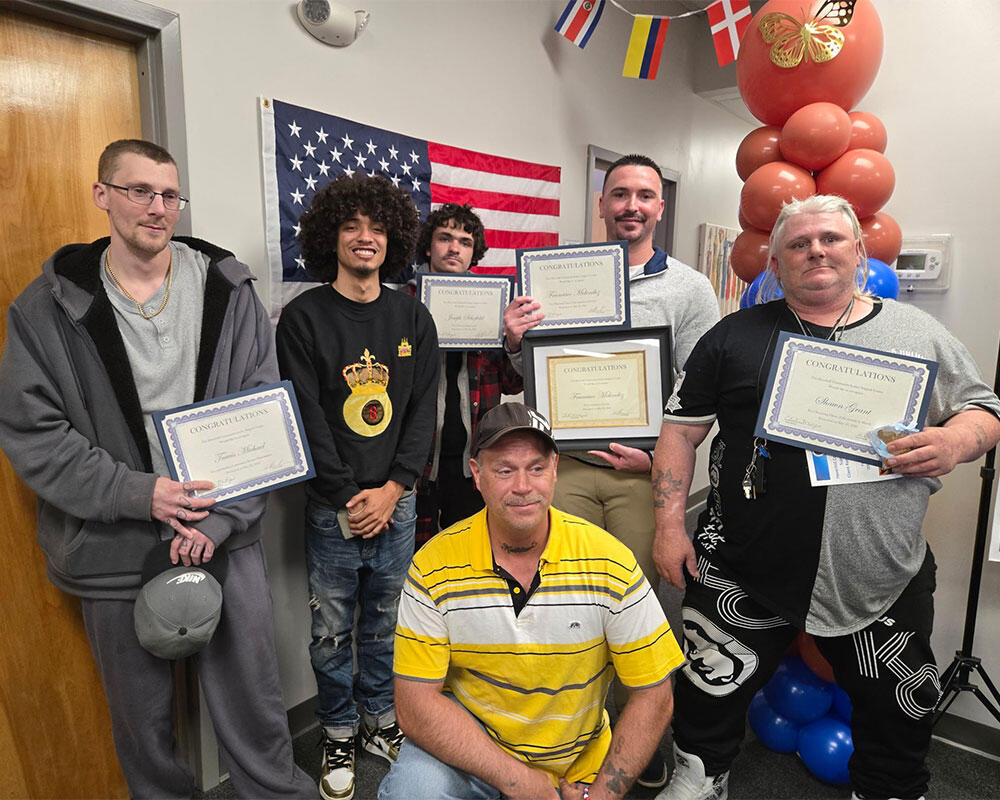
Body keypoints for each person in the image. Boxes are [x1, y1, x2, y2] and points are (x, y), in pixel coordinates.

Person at [652, 194, 1000, 800]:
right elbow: (680, 433)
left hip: (878, 570)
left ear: (859, 253)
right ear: (776, 264)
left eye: (831, 239)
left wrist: (956, 440)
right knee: (709, 689)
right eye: (798, 243)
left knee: (897, 711)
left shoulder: (917, 332)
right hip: (743, 563)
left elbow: (984, 408)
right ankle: (701, 774)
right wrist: (668, 527)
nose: (816, 250)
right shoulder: (732, 336)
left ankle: (889, 788)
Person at [0, 139, 316, 798]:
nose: (158, 207)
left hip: (225, 535)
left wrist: (222, 520)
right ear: (102, 195)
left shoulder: (228, 289)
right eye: (139, 190)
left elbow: (260, 415)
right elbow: (35, 432)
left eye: (170, 194)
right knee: (142, 724)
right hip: (113, 543)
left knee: (256, 708)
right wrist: (141, 494)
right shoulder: (46, 308)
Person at [503, 153, 720, 788]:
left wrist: (657, 459)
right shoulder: (557, 278)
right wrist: (514, 340)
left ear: (660, 207)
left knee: (638, 609)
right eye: (619, 193)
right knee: (561, 603)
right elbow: (534, 373)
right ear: (601, 204)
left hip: (643, 474)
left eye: (644, 195)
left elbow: (701, 389)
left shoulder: (689, 289)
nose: (631, 205)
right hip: (564, 468)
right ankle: (568, 738)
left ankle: (639, 742)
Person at [379, 402, 685, 800]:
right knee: (413, 792)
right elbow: (415, 705)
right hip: (475, 752)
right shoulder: (433, 566)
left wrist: (602, 795)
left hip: (576, 763)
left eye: (536, 468)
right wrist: (520, 782)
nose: (522, 486)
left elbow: (654, 695)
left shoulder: (610, 561)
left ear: (555, 469)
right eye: (504, 470)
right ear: (477, 474)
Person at [275, 173, 439, 800]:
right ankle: (339, 730)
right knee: (332, 631)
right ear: (331, 237)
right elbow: (306, 415)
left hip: (398, 503)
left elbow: (421, 411)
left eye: (376, 227)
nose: (365, 237)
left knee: (386, 623)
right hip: (332, 508)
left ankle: (379, 719)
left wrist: (395, 488)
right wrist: (349, 496)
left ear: (392, 239)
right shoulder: (303, 317)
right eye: (351, 226)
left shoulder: (412, 315)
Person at [407, 202, 523, 546]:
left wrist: (514, 342)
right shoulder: (404, 303)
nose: (454, 248)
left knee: (470, 552)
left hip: (473, 457)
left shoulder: (493, 303)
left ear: (475, 253)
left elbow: (512, 382)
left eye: (465, 242)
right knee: (416, 555)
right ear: (429, 246)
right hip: (416, 459)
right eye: (445, 238)